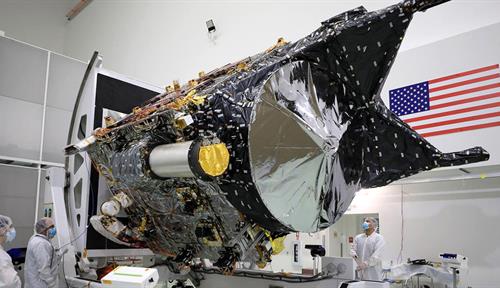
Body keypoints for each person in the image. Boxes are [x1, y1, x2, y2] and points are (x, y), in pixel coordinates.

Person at [24, 217, 66, 288]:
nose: (54, 229)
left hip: (35, 283)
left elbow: (49, 262)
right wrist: (52, 284)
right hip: (40, 285)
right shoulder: (41, 244)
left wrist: (60, 254)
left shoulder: (36, 239)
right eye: (52, 227)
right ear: (44, 229)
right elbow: (44, 269)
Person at [0, 215, 22, 288]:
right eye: (11, 226)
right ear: (3, 229)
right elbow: (11, 283)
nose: (13, 230)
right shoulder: (2, 257)